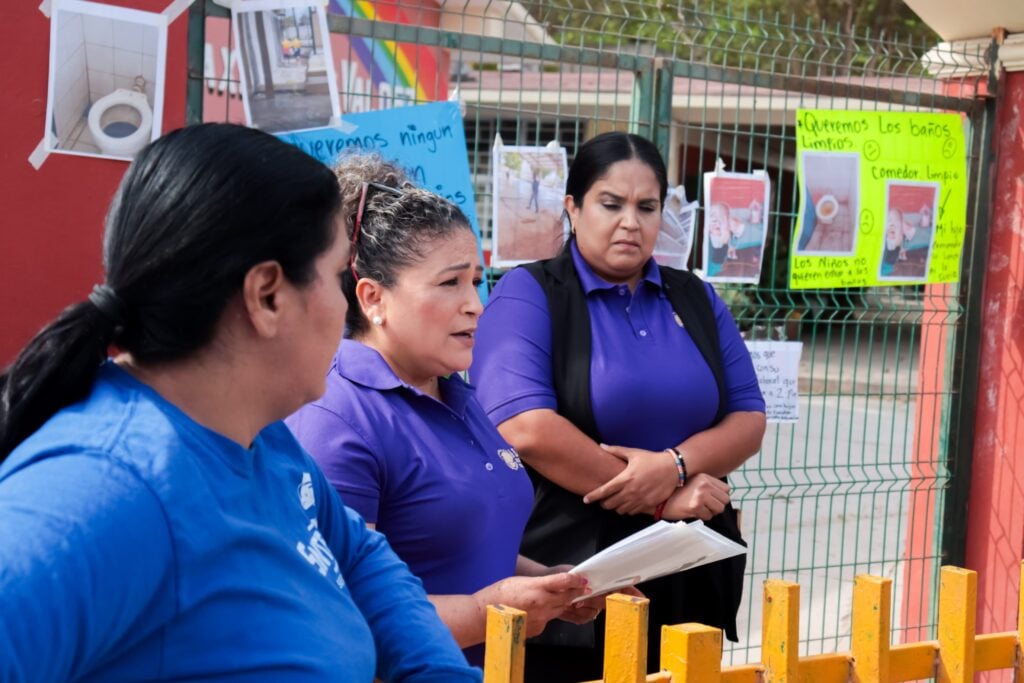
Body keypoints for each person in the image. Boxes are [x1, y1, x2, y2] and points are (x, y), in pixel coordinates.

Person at [0, 124, 480, 683]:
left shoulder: (258, 435)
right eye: (335, 276)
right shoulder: (107, 492)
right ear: (267, 296)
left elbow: (358, 554)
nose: (343, 304)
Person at [471, 131, 767, 682]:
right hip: (573, 581)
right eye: (611, 204)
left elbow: (749, 420)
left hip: (688, 574)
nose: (630, 221)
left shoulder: (696, 297)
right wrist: (661, 500)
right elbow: (525, 428)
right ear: (573, 208)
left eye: (646, 207)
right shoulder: (529, 293)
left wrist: (674, 465)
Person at [285, 154, 600, 668]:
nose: (475, 303)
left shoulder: (454, 393)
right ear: (373, 299)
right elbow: (337, 610)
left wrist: (549, 582)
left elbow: (458, 541)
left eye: (476, 281)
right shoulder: (337, 419)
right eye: (450, 283)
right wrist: (484, 611)